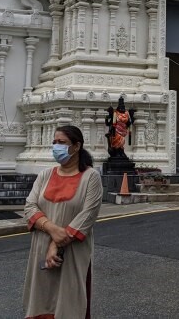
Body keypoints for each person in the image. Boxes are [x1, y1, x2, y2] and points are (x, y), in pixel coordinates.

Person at [23, 125, 103, 319]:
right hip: (41, 251)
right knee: (41, 299)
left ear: (76, 146)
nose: (56, 147)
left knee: (70, 302)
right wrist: (51, 230)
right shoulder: (45, 175)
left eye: (61, 142)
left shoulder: (91, 177)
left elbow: (86, 217)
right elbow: (30, 207)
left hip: (73, 252)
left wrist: (55, 244)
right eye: (54, 142)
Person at [105, 94, 136, 159]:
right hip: (115, 131)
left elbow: (129, 123)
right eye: (120, 107)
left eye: (123, 107)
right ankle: (117, 153)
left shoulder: (126, 114)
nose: (122, 108)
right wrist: (107, 118)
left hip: (123, 131)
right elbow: (108, 123)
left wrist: (131, 116)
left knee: (122, 142)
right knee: (116, 142)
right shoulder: (115, 113)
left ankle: (121, 152)